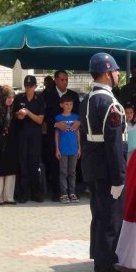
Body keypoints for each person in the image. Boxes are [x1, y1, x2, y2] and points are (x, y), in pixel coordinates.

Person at [80, 52, 134, 272]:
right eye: (115, 71)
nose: (118, 74)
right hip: (107, 170)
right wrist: (119, 178)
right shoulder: (111, 104)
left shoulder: (87, 99)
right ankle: (106, 269)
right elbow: (114, 146)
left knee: (99, 217)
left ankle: (99, 262)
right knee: (111, 220)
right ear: (107, 73)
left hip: (93, 167)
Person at [44, 70, 81, 202]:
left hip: (71, 137)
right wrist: (55, 124)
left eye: (66, 79)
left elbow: (80, 114)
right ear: (55, 80)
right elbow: (44, 115)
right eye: (62, 79)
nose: (65, 82)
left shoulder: (74, 95)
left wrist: (79, 122)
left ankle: (72, 192)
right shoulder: (47, 94)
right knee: (56, 166)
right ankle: (57, 192)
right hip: (55, 136)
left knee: (71, 169)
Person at [14, 75, 46, 203]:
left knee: (34, 164)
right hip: (22, 134)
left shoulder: (40, 99)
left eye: (30, 86)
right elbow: (15, 115)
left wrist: (27, 112)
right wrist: (20, 115)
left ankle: (36, 192)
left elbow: (40, 120)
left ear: (35, 86)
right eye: (26, 86)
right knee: (23, 164)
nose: (28, 89)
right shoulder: (19, 98)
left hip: (35, 136)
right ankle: (23, 193)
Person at [0, 87, 18, 206]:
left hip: (11, 141)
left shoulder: (14, 109)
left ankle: (9, 196)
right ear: (3, 97)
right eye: (8, 97)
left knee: (11, 168)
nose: (10, 100)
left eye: (12, 98)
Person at [55, 95, 81, 204]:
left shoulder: (76, 117)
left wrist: (79, 147)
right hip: (63, 149)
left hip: (74, 149)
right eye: (66, 104)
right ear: (61, 105)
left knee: (72, 172)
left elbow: (77, 132)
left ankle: (72, 192)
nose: (69, 106)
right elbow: (56, 134)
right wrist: (57, 149)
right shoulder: (58, 118)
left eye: (71, 104)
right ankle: (64, 193)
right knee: (63, 171)